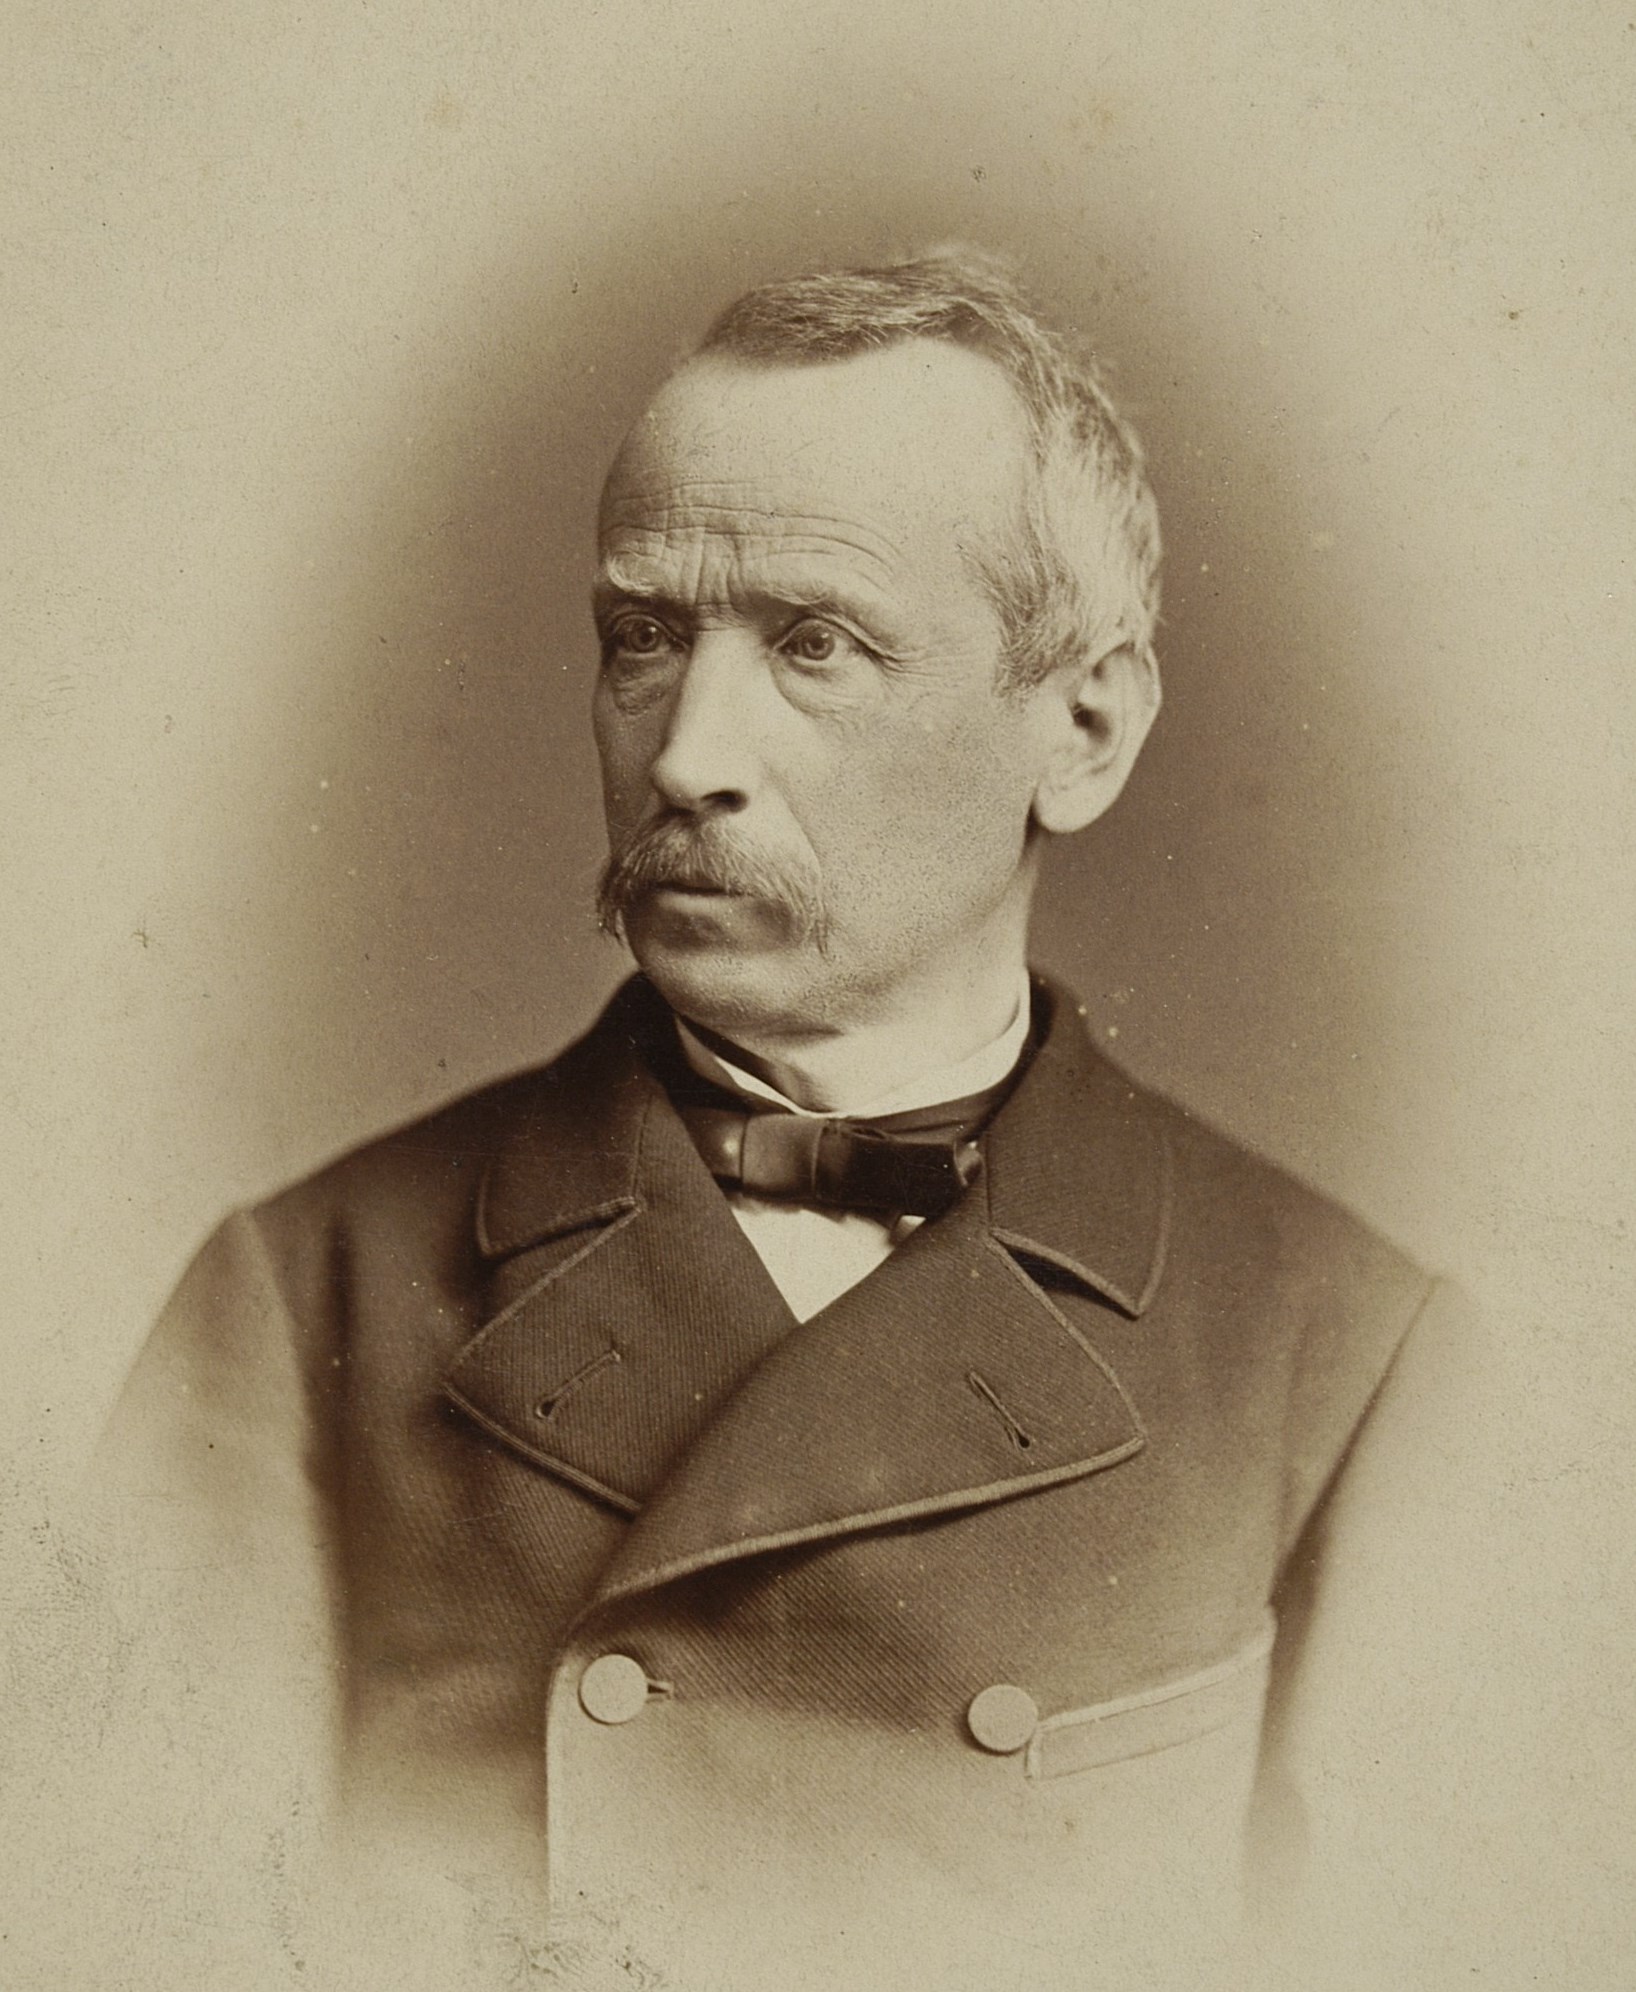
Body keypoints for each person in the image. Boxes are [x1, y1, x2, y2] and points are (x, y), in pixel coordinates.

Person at [103, 248, 1467, 1991]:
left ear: (1085, 729)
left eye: (815, 645)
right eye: (644, 638)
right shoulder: (302, 1304)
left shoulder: (1348, 1360)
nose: (686, 756)